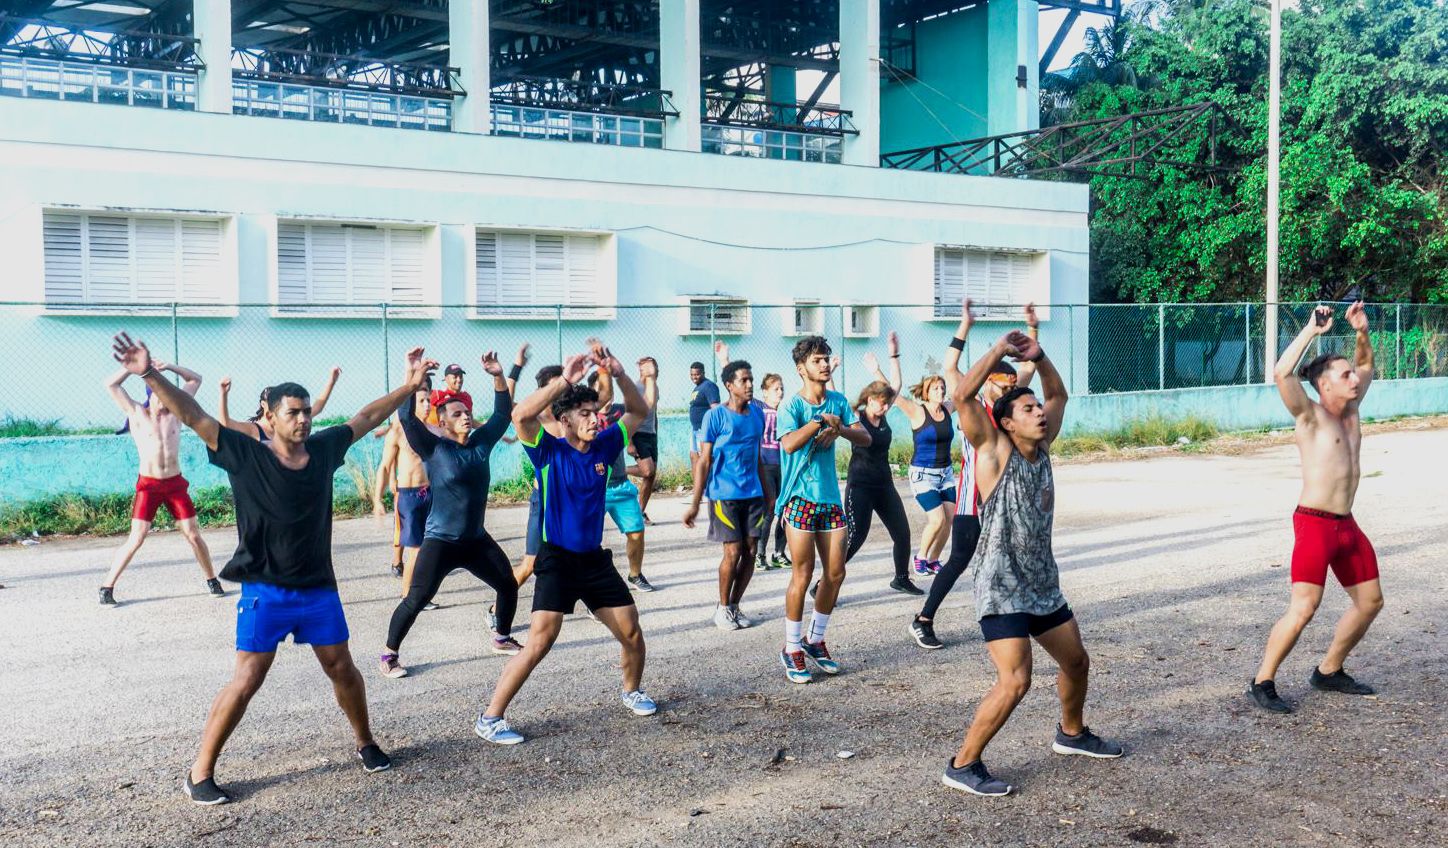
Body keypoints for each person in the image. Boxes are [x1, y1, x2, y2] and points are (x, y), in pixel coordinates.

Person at [109, 332, 431, 805]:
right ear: (271, 417)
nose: (303, 420)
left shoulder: (322, 450)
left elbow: (365, 417)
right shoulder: (244, 454)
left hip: (317, 588)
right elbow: (193, 415)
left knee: (342, 667)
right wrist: (150, 374)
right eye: (293, 413)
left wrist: (409, 386)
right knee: (247, 678)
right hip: (265, 589)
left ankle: (365, 742)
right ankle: (200, 771)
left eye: (306, 412)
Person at [942, 328, 1121, 798]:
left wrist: (1039, 357)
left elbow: (1059, 392)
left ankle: (1072, 733)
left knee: (1077, 661)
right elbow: (961, 394)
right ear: (1005, 423)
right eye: (1028, 409)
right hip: (1000, 583)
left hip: (1042, 581)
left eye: (1037, 408)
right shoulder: (993, 450)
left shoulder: (1041, 448)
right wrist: (1000, 349)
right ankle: (963, 764)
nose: (1039, 412)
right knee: (1016, 680)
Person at [475, 344, 656, 746]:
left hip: (593, 560)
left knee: (631, 631)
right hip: (556, 558)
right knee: (541, 639)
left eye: (598, 413)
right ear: (565, 421)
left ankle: (631, 690)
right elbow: (519, 415)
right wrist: (565, 380)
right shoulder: (547, 450)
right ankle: (490, 717)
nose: (596, 419)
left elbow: (639, 411)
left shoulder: (605, 445)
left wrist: (621, 373)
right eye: (586, 415)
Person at [1248, 303, 1383, 713]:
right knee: (1304, 607)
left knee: (1370, 602)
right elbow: (1281, 374)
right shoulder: (1310, 416)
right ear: (1324, 386)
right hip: (1315, 525)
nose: (1354, 379)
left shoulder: (1353, 410)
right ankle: (1262, 680)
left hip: (1347, 525)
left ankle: (1328, 670)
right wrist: (1311, 331)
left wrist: (1361, 331)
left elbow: (1365, 361)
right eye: (1344, 376)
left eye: (1352, 374)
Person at [380, 352, 521, 680]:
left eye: (468, 412)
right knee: (416, 598)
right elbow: (407, 418)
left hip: (475, 540)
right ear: (442, 421)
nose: (466, 417)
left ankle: (501, 636)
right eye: (457, 414)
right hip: (441, 541)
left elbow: (503, 412)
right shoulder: (433, 448)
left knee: (508, 585)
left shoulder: (481, 444)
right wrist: (410, 376)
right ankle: (389, 653)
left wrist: (498, 376)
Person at [910, 301, 1038, 650]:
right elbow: (951, 366)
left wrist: (1033, 330)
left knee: (1013, 556)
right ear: (986, 382)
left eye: (1012, 381)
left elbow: (1029, 365)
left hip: (1005, 500)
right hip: (972, 501)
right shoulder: (973, 406)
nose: (1011, 385)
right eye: (1003, 381)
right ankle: (923, 619)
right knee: (958, 560)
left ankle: (1013, 616)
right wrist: (965, 324)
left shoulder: (1012, 407)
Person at [775, 336, 872, 684]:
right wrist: (819, 423)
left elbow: (866, 438)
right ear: (802, 368)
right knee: (802, 575)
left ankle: (815, 641)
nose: (826, 365)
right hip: (800, 498)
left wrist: (840, 427)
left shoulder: (839, 401)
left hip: (830, 498)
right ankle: (791, 648)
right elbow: (787, 444)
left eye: (827, 359)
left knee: (836, 573)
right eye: (818, 360)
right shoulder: (792, 406)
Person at [100, 360, 221, 605]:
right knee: (137, 536)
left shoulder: (177, 413)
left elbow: (195, 379)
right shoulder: (136, 413)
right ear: (152, 394)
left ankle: (212, 580)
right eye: (162, 394)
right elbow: (110, 384)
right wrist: (134, 367)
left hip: (175, 484)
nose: (168, 400)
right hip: (149, 485)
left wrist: (169, 367)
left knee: (193, 535)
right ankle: (107, 587)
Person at [683, 359, 771, 630]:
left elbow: (758, 457)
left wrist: (769, 494)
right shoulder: (715, 416)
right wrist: (696, 502)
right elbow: (704, 461)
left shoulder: (758, 415)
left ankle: (734, 605)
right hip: (724, 494)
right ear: (729, 386)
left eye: (751, 379)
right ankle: (722, 608)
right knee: (733, 552)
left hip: (753, 494)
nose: (749, 385)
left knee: (751, 550)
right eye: (744, 380)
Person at [872, 332, 957, 575]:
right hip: (923, 474)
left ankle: (933, 560)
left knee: (949, 520)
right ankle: (920, 558)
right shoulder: (917, 412)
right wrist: (880, 367)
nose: (941, 391)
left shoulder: (949, 409)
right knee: (937, 519)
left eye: (943, 387)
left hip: (946, 473)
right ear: (927, 393)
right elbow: (892, 393)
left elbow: (965, 393)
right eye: (936, 388)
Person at [838, 376, 920, 596]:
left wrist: (891, 357)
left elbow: (897, 384)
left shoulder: (882, 414)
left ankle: (901, 578)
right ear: (870, 400)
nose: (886, 407)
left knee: (902, 532)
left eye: (887, 403)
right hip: (860, 486)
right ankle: (826, 583)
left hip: (884, 485)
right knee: (856, 537)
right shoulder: (856, 418)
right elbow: (839, 403)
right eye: (882, 403)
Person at [589, 365, 654, 592]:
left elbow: (645, 405)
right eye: (602, 388)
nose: (608, 393)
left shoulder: (619, 412)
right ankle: (591, 589)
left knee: (636, 533)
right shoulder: (585, 418)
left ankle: (635, 575)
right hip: (594, 490)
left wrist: (650, 379)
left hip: (620, 486)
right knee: (589, 543)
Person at [373, 384, 432, 584]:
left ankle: (418, 589)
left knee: (427, 545)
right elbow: (384, 466)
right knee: (413, 545)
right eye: (421, 401)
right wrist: (377, 499)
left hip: (430, 493)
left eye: (428, 400)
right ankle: (407, 586)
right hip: (408, 494)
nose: (427, 405)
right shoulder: (397, 431)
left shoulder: (434, 429)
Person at [218, 366, 341, 442]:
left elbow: (317, 407)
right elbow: (225, 424)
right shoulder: (254, 429)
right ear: (263, 404)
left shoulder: (289, 420)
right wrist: (223, 394)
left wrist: (331, 381)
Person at [755, 372, 790, 570]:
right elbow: (741, 393)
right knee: (768, 509)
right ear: (765, 392)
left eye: (782, 388)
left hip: (783, 467)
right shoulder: (759, 409)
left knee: (784, 509)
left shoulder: (786, 411)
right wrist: (725, 360)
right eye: (776, 389)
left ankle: (779, 553)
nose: (780, 392)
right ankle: (759, 554)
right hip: (765, 466)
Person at [631, 356, 661, 524]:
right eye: (648, 367)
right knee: (647, 471)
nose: (652, 370)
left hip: (651, 434)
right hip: (637, 433)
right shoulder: (636, 388)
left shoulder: (654, 387)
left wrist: (656, 431)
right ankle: (617, 471)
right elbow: (628, 414)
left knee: (650, 476)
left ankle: (640, 512)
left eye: (653, 367)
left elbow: (654, 411)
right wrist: (629, 441)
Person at [687, 358, 721, 486]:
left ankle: (711, 488)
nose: (694, 377)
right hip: (695, 428)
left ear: (703, 373)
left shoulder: (709, 386)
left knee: (706, 458)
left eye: (697, 374)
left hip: (704, 429)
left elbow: (716, 408)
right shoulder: (698, 388)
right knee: (694, 456)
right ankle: (698, 489)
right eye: (692, 375)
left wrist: (715, 429)